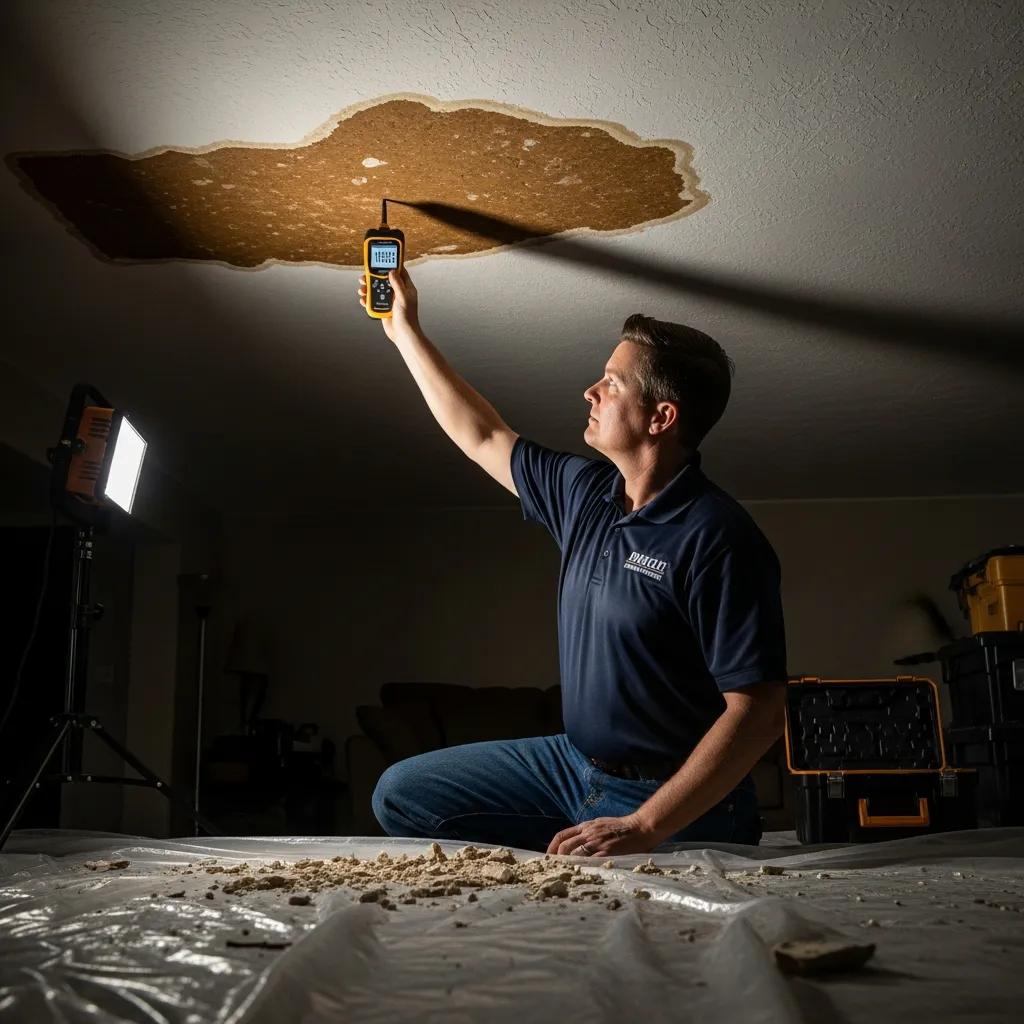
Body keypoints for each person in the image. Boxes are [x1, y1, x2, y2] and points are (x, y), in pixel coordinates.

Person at [358, 266, 787, 856]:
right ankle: (577, 846)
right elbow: (483, 435)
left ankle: (619, 843)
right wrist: (403, 329)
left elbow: (759, 711)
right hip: (571, 766)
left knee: (645, 891)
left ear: (661, 418)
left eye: (612, 383)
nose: (592, 391)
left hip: (667, 793)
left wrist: (645, 826)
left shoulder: (718, 536)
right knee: (401, 794)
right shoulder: (585, 494)